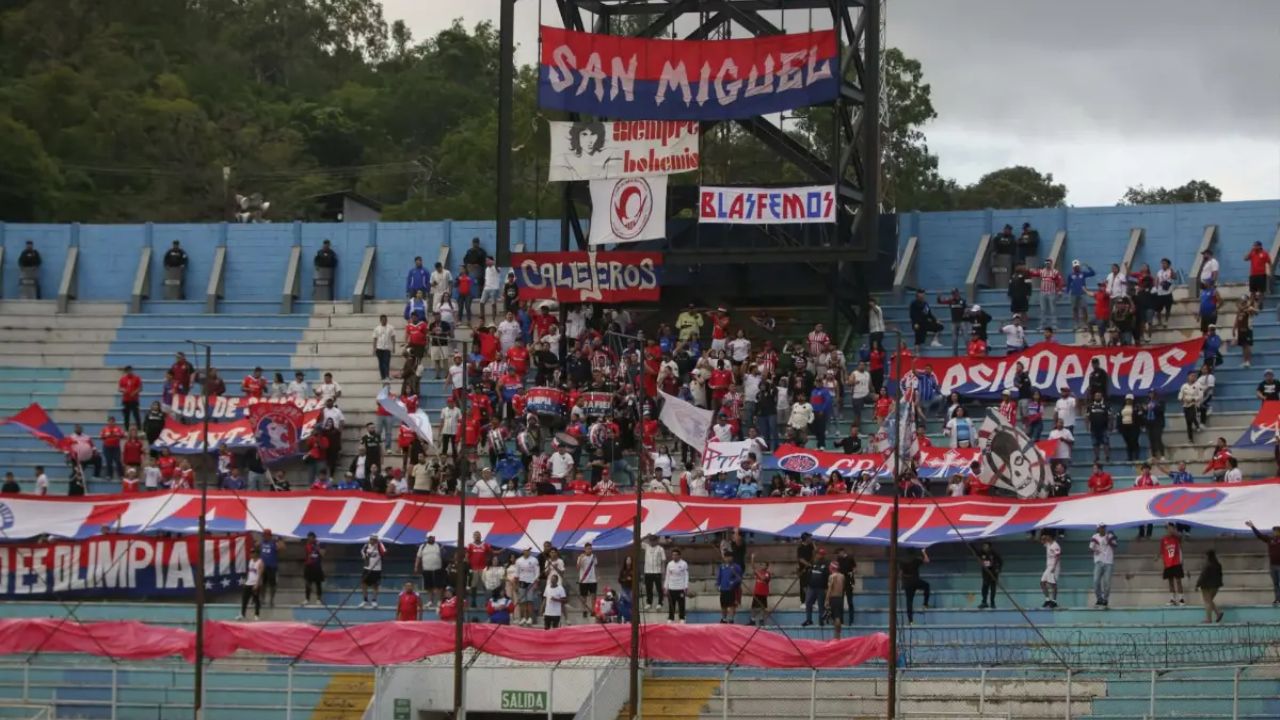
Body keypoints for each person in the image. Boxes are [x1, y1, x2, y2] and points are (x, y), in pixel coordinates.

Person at [1244, 521, 1280, 606]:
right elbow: (1259, 535)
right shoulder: (1270, 539)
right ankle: (1278, 599)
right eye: (1274, 531)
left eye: (1276, 531)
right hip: (1273, 565)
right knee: (1275, 583)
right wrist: (1252, 527)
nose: (1274, 533)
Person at [1089, 524, 1118, 608]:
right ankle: (1099, 598)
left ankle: (1105, 599)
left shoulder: (1110, 535)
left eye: (1103, 528)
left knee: (1107, 583)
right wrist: (1095, 549)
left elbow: (1115, 545)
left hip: (1108, 562)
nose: (1102, 529)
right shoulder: (1095, 536)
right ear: (1098, 529)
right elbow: (1091, 547)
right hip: (1098, 561)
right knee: (1095, 581)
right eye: (1100, 528)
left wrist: (1109, 540)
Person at [415, 534, 445, 609]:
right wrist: (416, 566)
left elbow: (444, 555)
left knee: (439, 586)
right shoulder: (422, 546)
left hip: (437, 569)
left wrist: (442, 549)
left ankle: (439, 601)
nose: (431, 538)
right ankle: (430, 601)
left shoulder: (438, 545)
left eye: (432, 537)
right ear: (427, 538)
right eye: (429, 537)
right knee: (429, 587)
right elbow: (418, 557)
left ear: (434, 538)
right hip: (426, 569)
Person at [1194, 550, 1225, 624]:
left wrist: (1197, 585)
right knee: (1210, 601)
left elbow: (1203, 576)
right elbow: (1220, 576)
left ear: (1208, 557)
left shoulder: (1207, 565)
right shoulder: (1218, 565)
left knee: (1207, 602)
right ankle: (1218, 613)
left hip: (1206, 586)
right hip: (1216, 587)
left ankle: (1209, 619)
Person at [900, 549, 930, 624]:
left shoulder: (902, 561)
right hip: (915, 581)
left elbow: (900, 573)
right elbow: (927, 560)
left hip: (907, 583)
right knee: (927, 586)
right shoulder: (916, 559)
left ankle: (910, 621)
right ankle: (925, 604)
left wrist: (903, 582)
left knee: (909, 601)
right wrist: (924, 552)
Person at [1160, 524, 1186, 605]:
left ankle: (1181, 599)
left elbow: (1181, 537)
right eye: (1168, 528)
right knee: (1170, 582)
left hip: (1177, 562)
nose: (1169, 530)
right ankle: (1172, 599)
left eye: (1170, 528)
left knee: (1178, 581)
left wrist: (1173, 531)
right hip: (1168, 564)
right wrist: (1163, 562)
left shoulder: (1177, 538)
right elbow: (1162, 552)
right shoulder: (1163, 539)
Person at [514, 547, 541, 626]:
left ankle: (530, 618)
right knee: (522, 602)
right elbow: (516, 573)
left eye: (528, 550)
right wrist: (516, 585)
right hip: (522, 582)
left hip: (531, 583)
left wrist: (536, 582)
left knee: (530, 601)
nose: (527, 552)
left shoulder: (534, 560)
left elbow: (537, 572)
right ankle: (523, 618)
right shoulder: (518, 561)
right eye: (526, 550)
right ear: (523, 551)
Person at [664, 548, 689, 623]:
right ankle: (671, 618)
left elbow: (686, 575)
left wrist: (686, 586)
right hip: (671, 588)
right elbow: (667, 576)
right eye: (673, 555)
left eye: (676, 555)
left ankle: (682, 618)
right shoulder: (669, 564)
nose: (674, 556)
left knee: (681, 604)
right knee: (671, 604)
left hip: (680, 588)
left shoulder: (684, 564)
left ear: (679, 556)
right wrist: (666, 587)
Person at [360, 534, 385, 609]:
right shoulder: (366, 545)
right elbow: (362, 551)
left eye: (374, 539)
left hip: (376, 569)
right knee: (363, 583)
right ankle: (365, 600)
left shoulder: (380, 545)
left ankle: (374, 600)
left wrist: (378, 544)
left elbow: (384, 552)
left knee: (375, 585)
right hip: (367, 568)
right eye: (371, 539)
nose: (372, 541)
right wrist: (364, 556)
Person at [716, 554, 743, 624]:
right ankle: (723, 618)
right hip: (723, 589)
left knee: (732, 605)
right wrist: (718, 584)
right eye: (726, 557)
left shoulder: (736, 567)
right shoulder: (722, 567)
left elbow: (739, 578)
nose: (727, 558)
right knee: (723, 605)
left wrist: (733, 582)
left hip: (731, 589)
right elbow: (719, 576)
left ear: (732, 557)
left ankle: (731, 619)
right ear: (724, 558)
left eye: (729, 557)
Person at [642, 535, 666, 610]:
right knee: (649, 588)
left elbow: (663, 560)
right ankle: (649, 603)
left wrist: (663, 571)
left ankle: (660, 603)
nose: (652, 542)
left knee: (659, 589)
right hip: (648, 571)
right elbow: (637, 541)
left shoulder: (660, 549)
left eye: (653, 540)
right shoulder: (646, 546)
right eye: (650, 540)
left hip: (657, 571)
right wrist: (646, 536)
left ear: (656, 540)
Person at [258, 529, 280, 608]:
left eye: (266, 535)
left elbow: (282, 548)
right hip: (263, 567)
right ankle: (262, 599)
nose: (265, 537)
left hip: (272, 567)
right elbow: (256, 545)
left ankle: (272, 600)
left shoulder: (274, 543)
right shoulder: (262, 543)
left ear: (270, 536)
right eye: (264, 535)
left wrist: (278, 540)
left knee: (272, 585)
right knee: (262, 584)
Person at [1039, 531, 1061, 609]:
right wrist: (1042, 536)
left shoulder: (1055, 545)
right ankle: (1047, 599)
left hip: (1053, 567)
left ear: (1050, 536)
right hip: (1048, 566)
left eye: (1047, 536)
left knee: (1053, 584)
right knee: (1042, 582)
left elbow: (1058, 556)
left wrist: (1054, 567)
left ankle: (1054, 601)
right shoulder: (1048, 544)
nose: (1046, 537)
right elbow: (1041, 541)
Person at [302, 532, 324, 607]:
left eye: (311, 537)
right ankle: (307, 599)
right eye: (308, 537)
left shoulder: (320, 544)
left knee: (318, 583)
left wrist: (318, 548)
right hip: (309, 566)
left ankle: (318, 599)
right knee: (308, 583)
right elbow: (306, 555)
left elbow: (323, 554)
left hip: (317, 566)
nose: (309, 539)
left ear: (314, 538)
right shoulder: (306, 545)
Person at [977, 541, 1002, 609]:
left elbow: (999, 562)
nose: (984, 547)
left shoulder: (994, 553)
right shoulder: (981, 553)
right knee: (985, 587)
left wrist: (997, 569)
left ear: (989, 547)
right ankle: (984, 602)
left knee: (993, 588)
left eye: (986, 546)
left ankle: (992, 602)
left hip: (993, 573)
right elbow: (981, 560)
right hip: (985, 573)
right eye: (983, 546)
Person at [372, 314, 396, 381]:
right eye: (382, 320)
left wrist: (394, 347)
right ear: (380, 320)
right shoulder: (377, 328)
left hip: (387, 348)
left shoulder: (391, 328)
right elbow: (375, 339)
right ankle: (382, 376)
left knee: (386, 362)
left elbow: (393, 337)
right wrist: (374, 349)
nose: (384, 321)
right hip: (379, 348)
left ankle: (387, 376)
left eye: (385, 320)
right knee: (380, 363)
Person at [118, 366, 143, 431]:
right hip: (126, 400)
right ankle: (126, 430)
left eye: (130, 370)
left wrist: (134, 392)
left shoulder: (137, 378)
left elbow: (140, 388)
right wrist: (124, 390)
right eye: (127, 371)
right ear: (126, 371)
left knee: (136, 415)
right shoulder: (122, 379)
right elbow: (120, 388)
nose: (129, 372)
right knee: (126, 416)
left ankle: (139, 429)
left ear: (132, 370)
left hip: (134, 400)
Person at [826, 558, 846, 640]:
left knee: (836, 617)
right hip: (840, 598)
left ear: (832, 568)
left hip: (834, 598)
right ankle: (838, 636)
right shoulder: (842, 576)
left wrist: (826, 600)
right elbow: (843, 587)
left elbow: (830, 589)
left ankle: (837, 637)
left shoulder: (832, 577)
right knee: (838, 617)